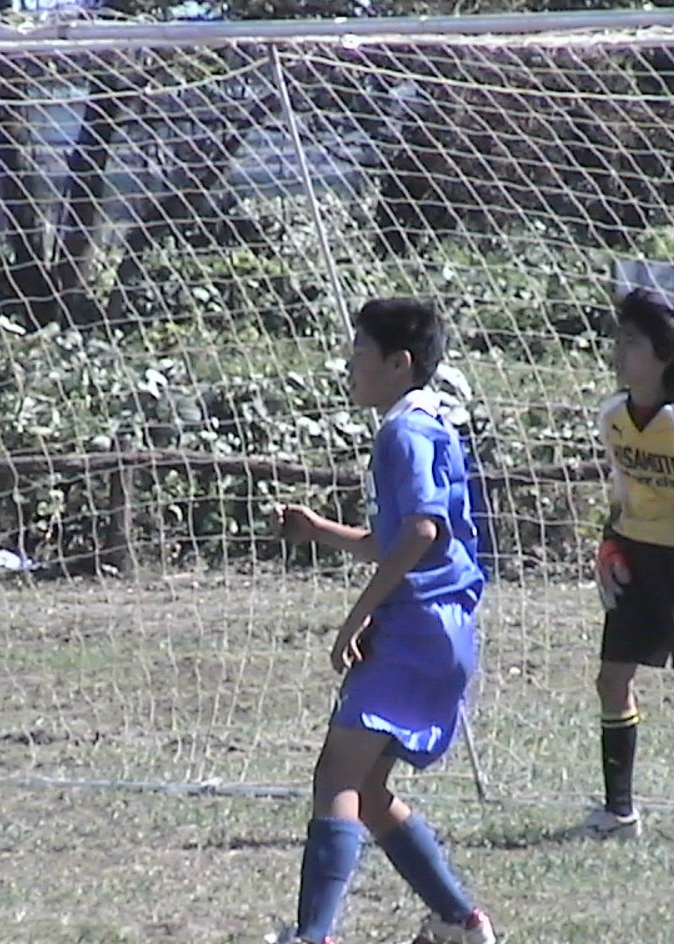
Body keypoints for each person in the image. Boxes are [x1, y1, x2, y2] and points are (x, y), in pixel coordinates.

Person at [275, 298, 495, 944]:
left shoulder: (402, 434)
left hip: (414, 625)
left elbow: (422, 533)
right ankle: (459, 921)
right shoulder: (430, 422)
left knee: (335, 777)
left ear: (399, 363)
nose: (350, 365)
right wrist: (320, 529)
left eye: (360, 354)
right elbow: (398, 538)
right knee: (368, 788)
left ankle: (313, 935)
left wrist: (358, 615)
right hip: (445, 627)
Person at [581, 288, 674, 843]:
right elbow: (621, 490)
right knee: (611, 678)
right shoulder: (612, 416)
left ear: (664, 356)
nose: (619, 353)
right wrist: (609, 544)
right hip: (634, 558)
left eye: (632, 343)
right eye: (618, 341)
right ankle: (619, 811)